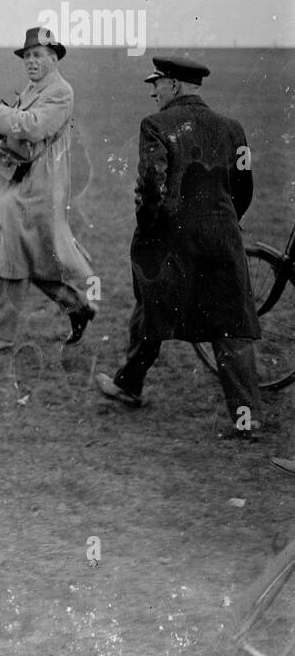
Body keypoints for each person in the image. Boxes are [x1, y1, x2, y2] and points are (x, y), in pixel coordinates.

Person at [95, 56, 263, 440]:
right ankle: (246, 417)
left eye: (156, 84)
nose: (153, 91)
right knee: (230, 325)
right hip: (222, 238)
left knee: (152, 310)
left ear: (174, 85)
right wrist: (223, 222)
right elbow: (245, 187)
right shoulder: (233, 128)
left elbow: (151, 185)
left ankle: (129, 386)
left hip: (169, 240)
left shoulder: (156, 126)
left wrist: (149, 226)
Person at [0, 26, 96, 354]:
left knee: (16, 255)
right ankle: (77, 306)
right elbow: (19, 126)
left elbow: (33, 125)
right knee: (31, 257)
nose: (31, 61)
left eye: (38, 55)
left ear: (54, 58)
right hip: (21, 182)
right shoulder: (32, 88)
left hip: (39, 188)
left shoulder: (61, 91)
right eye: (27, 56)